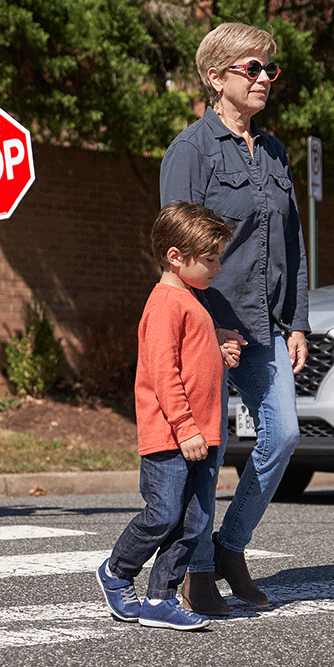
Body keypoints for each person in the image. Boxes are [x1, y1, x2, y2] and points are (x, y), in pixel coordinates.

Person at [160, 22, 310, 614]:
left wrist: (295, 320)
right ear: (216, 77)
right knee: (210, 447)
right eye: (253, 69)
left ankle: (231, 546)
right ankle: (196, 568)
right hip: (209, 322)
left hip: (265, 323)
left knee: (284, 435)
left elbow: (292, 242)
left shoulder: (272, 151)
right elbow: (175, 244)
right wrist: (202, 322)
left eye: (270, 69)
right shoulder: (190, 151)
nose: (265, 79)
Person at [97, 201, 236, 630]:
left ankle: (161, 597)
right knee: (162, 514)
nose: (217, 267)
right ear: (175, 257)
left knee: (194, 521)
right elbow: (163, 373)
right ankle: (117, 572)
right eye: (210, 259)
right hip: (173, 435)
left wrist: (219, 348)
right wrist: (185, 427)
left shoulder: (191, 300)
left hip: (202, 434)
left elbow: (193, 358)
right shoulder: (165, 303)